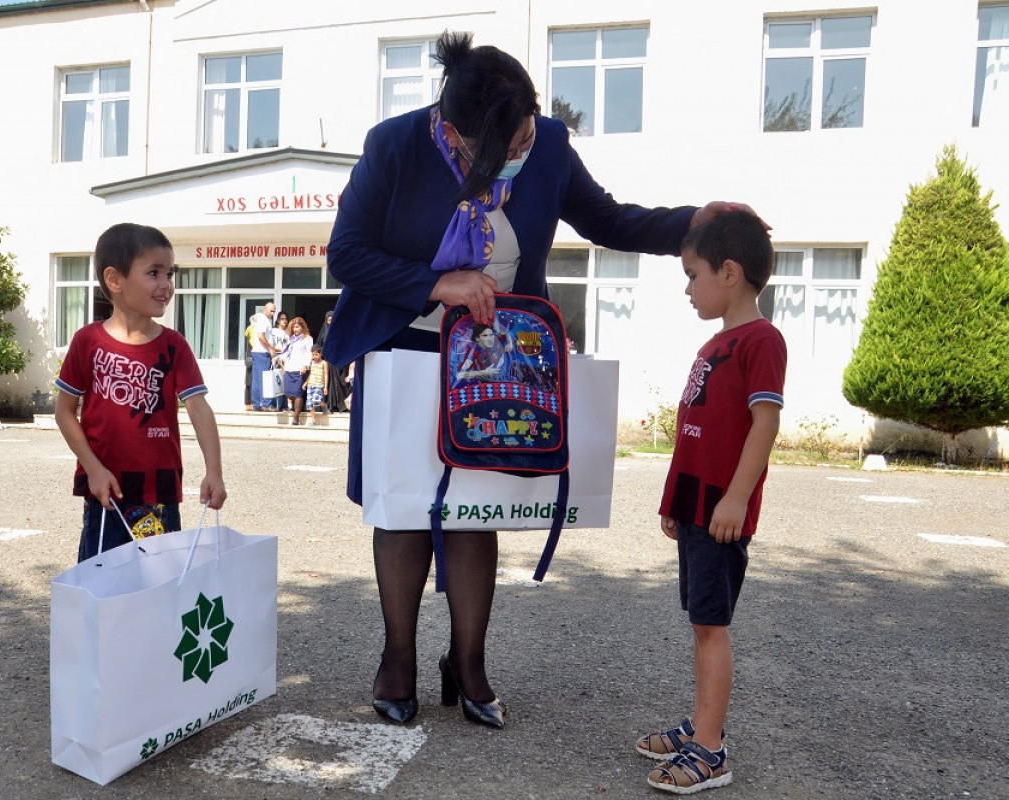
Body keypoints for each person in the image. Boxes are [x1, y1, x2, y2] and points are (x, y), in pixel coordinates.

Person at [323, 30, 763, 730]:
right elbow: (345, 256)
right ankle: (397, 658)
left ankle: (468, 663)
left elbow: (609, 220)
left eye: (523, 134)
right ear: (449, 128)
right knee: (405, 505)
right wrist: (438, 283)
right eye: (490, 152)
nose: (515, 154)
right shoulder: (395, 145)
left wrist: (697, 222)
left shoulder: (551, 145)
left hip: (501, 350)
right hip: (405, 344)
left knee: (478, 503)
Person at [637, 211, 785, 794]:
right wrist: (675, 499)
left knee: (711, 627)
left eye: (693, 275)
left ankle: (712, 749)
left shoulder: (761, 340)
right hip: (697, 509)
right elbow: (693, 428)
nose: (687, 288)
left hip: (722, 516)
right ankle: (701, 725)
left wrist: (736, 500)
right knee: (701, 624)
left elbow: (764, 425)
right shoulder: (714, 343)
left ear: (729, 272)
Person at [54, 222, 228, 562]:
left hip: (158, 492)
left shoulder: (174, 346)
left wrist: (214, 471)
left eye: (170, 274)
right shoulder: (87, 342)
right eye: (154, 273)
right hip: (106, 491)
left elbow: (198, 408)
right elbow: (63, 411)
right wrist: (93, 469)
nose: (166, 285)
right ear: (115, 280)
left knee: (160, 586)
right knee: (102, 587)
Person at [278, 316, 314, 424]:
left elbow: (309, 353)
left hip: (299, 369)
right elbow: (286, 353)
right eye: (294, 328)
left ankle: (296, 416)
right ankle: (294, 409)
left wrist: (306, 365)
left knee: (298, 393)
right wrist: (280, 361)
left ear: (302, 327)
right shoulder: (291, 339)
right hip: (289, 367)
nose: (295, 330)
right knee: (289, 393)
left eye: (297, 327)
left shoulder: (307, 339)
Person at [454, 320, 513, 384]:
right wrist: (483, 373)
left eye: (491, 335)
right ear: (477, 338)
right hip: (484, 383)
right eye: (485, 336)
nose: (490, 339)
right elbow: (459, 375)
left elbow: (507, 334)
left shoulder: (495, 340)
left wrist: (510, 343)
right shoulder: (473, 353)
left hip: (503, 377)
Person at [317, 309, 350, 413]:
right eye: (328, 320)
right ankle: (332, 405)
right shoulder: (323, 334)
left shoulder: (341, 331)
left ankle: (343, 405)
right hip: (328, 362)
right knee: (330, 382)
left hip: (340, 360)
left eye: (332, 319)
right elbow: (319, 346)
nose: (330, 322)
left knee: (341, 381)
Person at [249, 302, 277, 411]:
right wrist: (271, 349)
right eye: (271, 311)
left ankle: (256, 404)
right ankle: (266, 404)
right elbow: (261, 336)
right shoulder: (263, 320)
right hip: (262, 352)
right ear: (265, 309)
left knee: (257, 379)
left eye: (274, 311)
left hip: (257, 352)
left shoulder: (262, 319)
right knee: (265, 379)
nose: (272, 313)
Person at [269, 311, 291, 411]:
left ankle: (284, 405)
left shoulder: (288, 333)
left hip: (286, 358)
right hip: (276, 358)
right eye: (282, 319)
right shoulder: (273, 331)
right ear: (278, 320)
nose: (284, 321)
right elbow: (270, 345)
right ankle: (275, 405)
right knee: (276, 381)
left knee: (285, 382)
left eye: (286, 319)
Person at [306, 343, 329, 424]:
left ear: (320, 354)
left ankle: (323, 405)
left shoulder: (324, 363)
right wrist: (306, 383)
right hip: (310, 384)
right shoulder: (311, 363)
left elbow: (326, 375)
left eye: (316, 354)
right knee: (309, 403)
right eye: (313, 355)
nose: (314, 356)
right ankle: (314, 420)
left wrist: (325, 387)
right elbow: (310, 374)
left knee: (316, 401)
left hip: (319, 384)